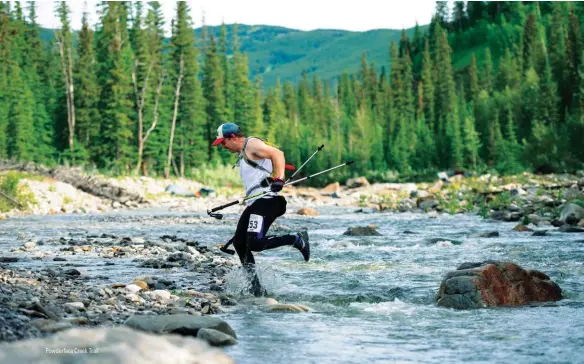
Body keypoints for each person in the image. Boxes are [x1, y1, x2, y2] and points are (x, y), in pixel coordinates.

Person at [212, 122, 310, 296]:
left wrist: (279, 178)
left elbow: (277, 153)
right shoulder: (245, 153)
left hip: (268, 201)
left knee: (255, 243)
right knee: (240, 243)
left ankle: (295, 238)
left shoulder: (251, 144)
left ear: (232, 137)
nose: (223, 147)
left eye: (223, 143)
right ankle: (255, 287)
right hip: (256, 203)